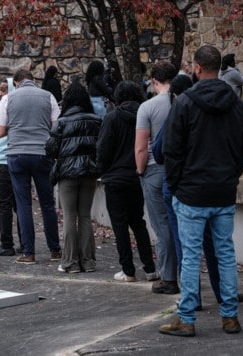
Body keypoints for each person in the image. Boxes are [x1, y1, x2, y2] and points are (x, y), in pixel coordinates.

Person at [160, 45, 243, 337]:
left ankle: (186, 317)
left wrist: (176, 186)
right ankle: (230, 316)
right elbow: (242, 147)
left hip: (191, 192)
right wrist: (231, 176)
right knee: (225, 253)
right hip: (223, 190)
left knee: (190, 255)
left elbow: (172, 150)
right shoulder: (235, 104)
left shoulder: (184, 103)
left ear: (197, 68)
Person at [152, 74, 223, 307]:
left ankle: (192, 299)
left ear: (174, 95)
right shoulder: (214, 111)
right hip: (210, 184)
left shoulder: (177, 112)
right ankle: (224, 293)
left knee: (186, 246)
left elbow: (159, 150)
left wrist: (172, 181)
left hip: (180, 186)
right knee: (215, 245)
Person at [0, 69, 62, 264]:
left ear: (16, 83)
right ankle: (55, 249)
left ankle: (28, 252)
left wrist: (14, 126)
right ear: (33, 81)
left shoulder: (9, 99)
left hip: (17, 154)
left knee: (23, 204)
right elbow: (56, 127)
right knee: (47, 203)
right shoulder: (48, 96)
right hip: (42, 154)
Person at [96, 80, 160, 282]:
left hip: (115, 178)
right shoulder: (144, 116)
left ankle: (128, 270)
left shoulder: (112, 118)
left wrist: (101, 170)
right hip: (137, 175)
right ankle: (150, 268)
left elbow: (104, 149)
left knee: (120, 226)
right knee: (138, 223)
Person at [45, 81, 102, 273]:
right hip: (89, 173)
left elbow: (50, 148)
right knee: (85, 216)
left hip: (67, 174)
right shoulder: (96, 120)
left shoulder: (61, 123)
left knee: (69, 215)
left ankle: (70, 262)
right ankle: (88, 261)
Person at [135, 61, 179, 294]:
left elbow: (142, 147)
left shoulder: (148, 107)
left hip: (154, 169)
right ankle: (186, 273)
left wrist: (140, 170)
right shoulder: (185, 101)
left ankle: (169, 276)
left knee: (162, 227)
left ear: (155, 81)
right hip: (182, 171)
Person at [0, 81, 22, 256]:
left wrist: (2, 105)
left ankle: (6, 244)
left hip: (2, 161)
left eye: (3, 90)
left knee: (4, 205)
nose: (0, 94)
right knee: (21, 205)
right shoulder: (22, 109)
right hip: (20, 159)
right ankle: (25, 242)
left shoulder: (5, 107)